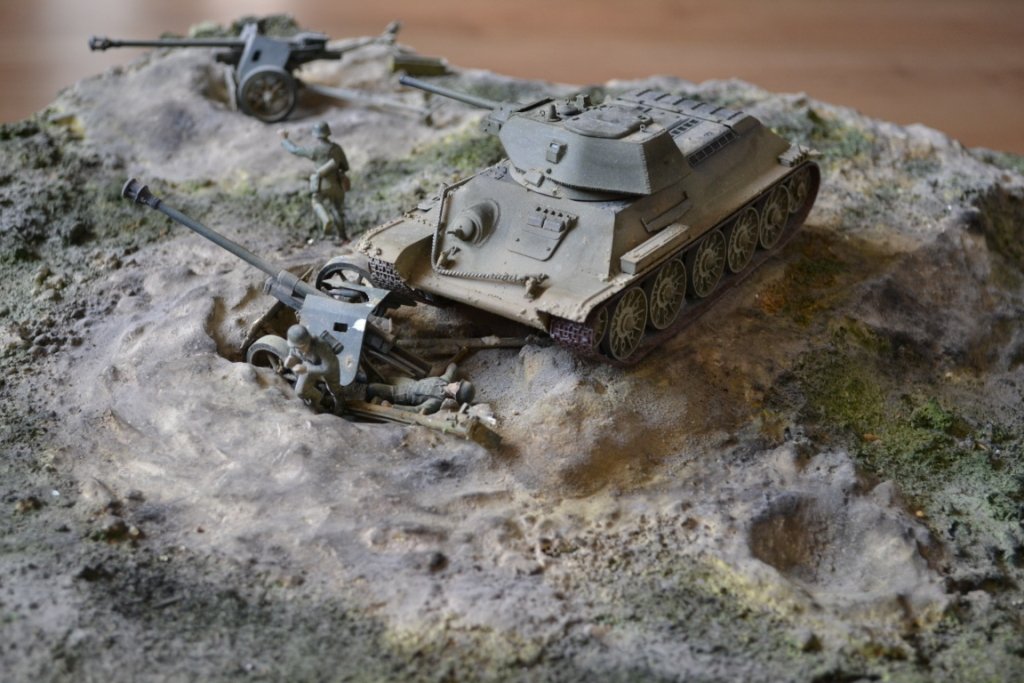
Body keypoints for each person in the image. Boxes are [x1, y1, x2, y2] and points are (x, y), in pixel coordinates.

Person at [280, 121, 350, 240]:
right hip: (336, 185)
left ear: (316, 135)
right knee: (337, 209)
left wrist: (285, 139)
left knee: (316, 202)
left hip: (321, 185)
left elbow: (295, 150)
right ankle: (343, 237)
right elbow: (345, 167)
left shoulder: (315, 150)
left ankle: (325, 219)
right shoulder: (337, 148)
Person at [366, 363, 475, 415]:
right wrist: (453, 365)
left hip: (400, 394)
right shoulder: (444, 381)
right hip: (408, 382)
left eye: (458, 385)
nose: (456, 382)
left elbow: (417, 410)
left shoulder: (437, 401)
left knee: (372, 388)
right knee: (383, 377)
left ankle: (373, 401)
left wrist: (392, 407)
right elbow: (451, 371)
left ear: (455, 393)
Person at [283, 324, 342, 411]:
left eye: (302, 347)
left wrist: (306, 369)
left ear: (309, 341)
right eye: (295, 347)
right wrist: (290, 358)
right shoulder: (295, 345)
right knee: (300, 392)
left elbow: (328, 368)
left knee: (334, 389)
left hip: (328, 367)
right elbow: (293, 351)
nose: (298, 350)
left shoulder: (320, 345)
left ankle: (339, 401)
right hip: (309, 364)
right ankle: (321, 399)